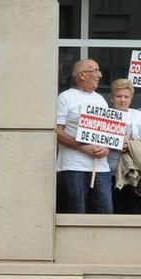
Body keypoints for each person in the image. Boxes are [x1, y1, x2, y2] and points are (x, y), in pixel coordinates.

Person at [55, 59, 111, 214]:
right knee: (77, 211)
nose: (99, 75)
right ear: (82, 75)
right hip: (74, 166)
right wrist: (82, 148)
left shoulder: (100, 99)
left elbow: (109, 131)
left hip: (100, 166)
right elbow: (57, 131)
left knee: (106, 212)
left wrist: (106, 149)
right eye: (95, 70)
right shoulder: (66, 97)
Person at [107, 79, 141, 214]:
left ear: (131, 98)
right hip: (110, 171)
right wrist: (115, 143)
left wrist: (131, 145)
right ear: (111, 99)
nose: (122, 100)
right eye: (118, 96)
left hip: (134, 173)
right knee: (115, 209)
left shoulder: (138, 116)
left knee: (134, 210)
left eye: (126, 97)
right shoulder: (105, 115)